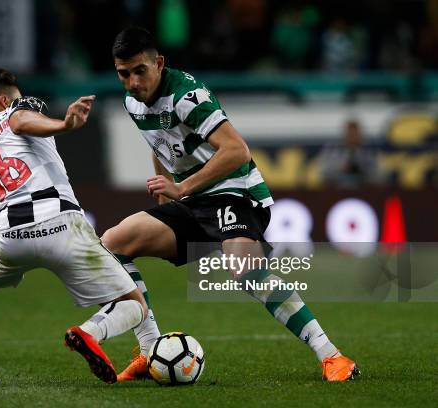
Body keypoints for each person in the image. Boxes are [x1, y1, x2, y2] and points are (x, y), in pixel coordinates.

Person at [103, 27, 359, 382]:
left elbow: (237, 150)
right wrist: (166, 189)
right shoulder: (133, 103)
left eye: (139, 71)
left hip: (235, 190)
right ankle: (149, 351)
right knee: (112, 243)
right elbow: (160, 142)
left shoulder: (187, 96)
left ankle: (331, 355)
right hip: (192, 199)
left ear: (159, 63)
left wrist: (182, 188)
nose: (132, 82)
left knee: (243, 267)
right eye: (123, 73)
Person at [0, 67, 148, 387]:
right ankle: (89, 333)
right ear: (3, 99)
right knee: (134, 305)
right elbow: (21, 120)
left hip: (8, 237)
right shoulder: (18, 108)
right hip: (61, 223)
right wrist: (64, 124)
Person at [319, 119, 384, 188]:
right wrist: (341, 168)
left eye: (355, 133)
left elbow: (381, 176)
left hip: (365, 190)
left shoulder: (370, 152)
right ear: (344, 134)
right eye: (350, 133)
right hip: (338, 190)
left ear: (360, 134)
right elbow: (324, 174)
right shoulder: (333, 151)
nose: (352, 136)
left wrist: (362, 169)